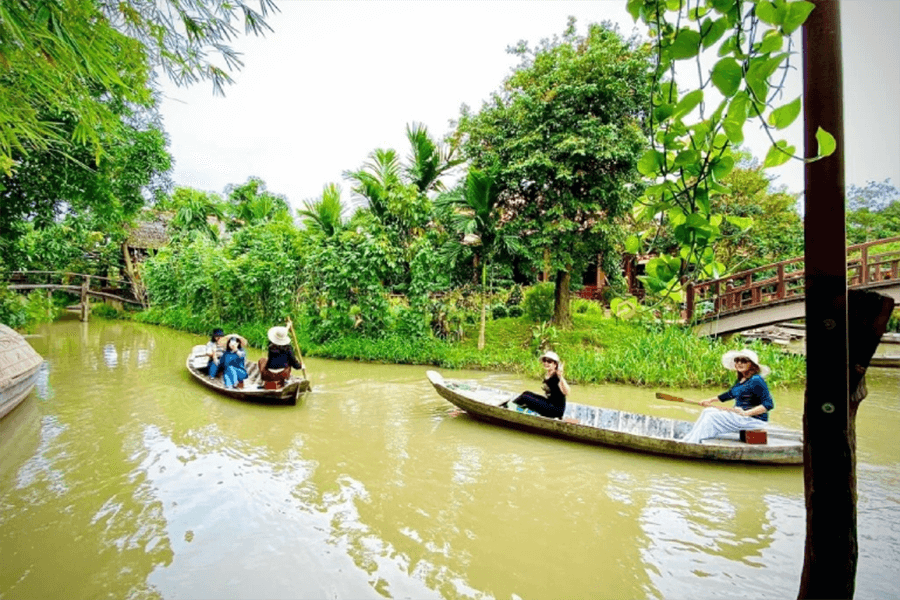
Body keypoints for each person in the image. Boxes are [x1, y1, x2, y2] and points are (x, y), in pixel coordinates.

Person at [682, 349, 774, 444]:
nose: (739, 363)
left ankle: (694, 442)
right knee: (708, 411)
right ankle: (689, 439)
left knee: (712, 416)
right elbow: (729, 394)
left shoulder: (756, 380)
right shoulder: (741, 380)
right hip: (740, 417)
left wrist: (746, 413)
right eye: (737, 360)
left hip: (753, 420)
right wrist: (709, 400)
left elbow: (768, 404)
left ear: (752, 365)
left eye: (743, 361)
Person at [501, 350, 569, 419]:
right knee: (526, 393)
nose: (546, 363)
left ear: (555, 364)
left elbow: (567, 392)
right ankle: (511, 406)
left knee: (525, 398)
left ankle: (506, 408)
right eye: (544, 360)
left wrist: (561, 377)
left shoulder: (557, 377)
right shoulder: (548, 374)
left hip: (555, 410)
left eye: (549, 361)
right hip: (550, 403)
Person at [258, 321, 303, 387]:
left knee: (262, 360)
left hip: (268, 375)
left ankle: (264, 381)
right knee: (289, 362)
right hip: (283, 375)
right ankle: (284, 380)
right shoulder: (288, 348)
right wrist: (301, 366)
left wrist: (288, 326)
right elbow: (295, 365)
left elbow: (282, 334)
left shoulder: (270, 347)